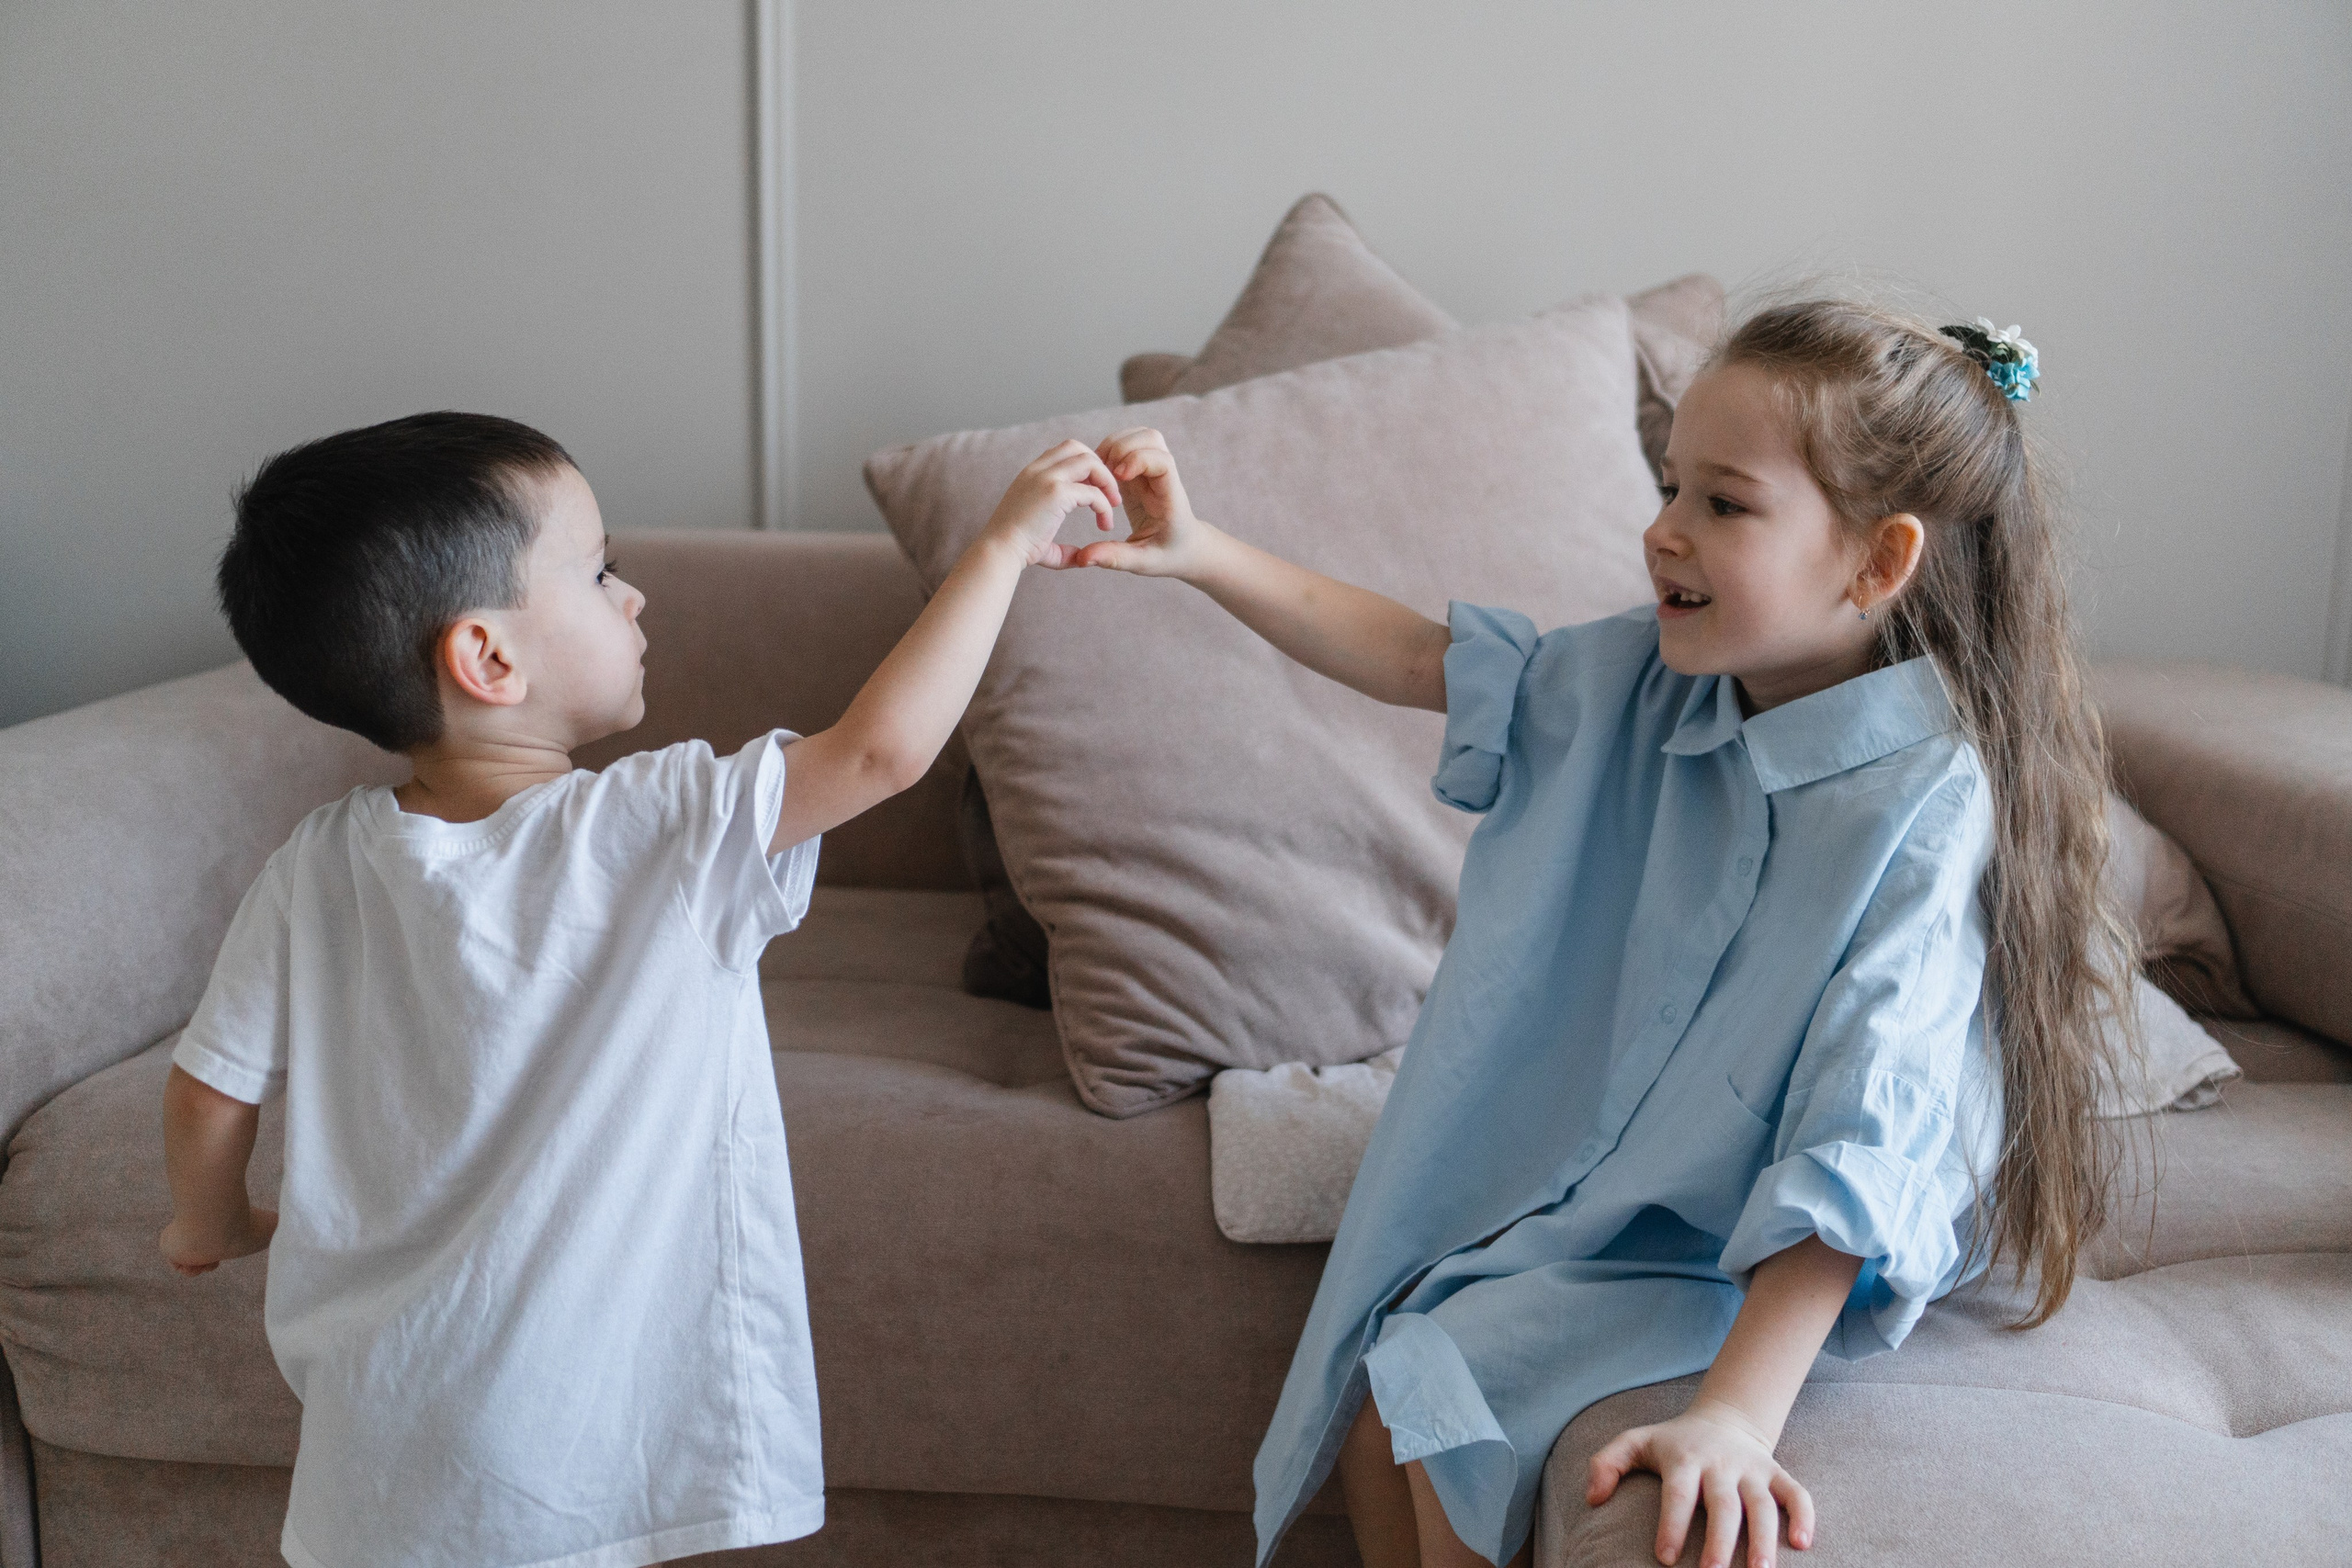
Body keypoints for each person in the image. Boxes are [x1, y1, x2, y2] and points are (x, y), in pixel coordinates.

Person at [1076, 302, 2133, 1568]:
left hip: (1750, 1255)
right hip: (1623, 1203)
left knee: (1450, 1411)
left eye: (1724, 503)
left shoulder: (1924, 803)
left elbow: (1865, 1128)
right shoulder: (1646, 682)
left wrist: (1736, 1415)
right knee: (1380, 1402)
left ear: (1876, 561)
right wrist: (1198, 552)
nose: (1663, 529)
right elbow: (1424, 658)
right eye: (1669, 483)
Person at [157, 412, 1120, 1568]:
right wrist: (1000, 548)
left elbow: (209, 1092)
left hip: (375, 1444)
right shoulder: (656, 825)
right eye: (600, 570)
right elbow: (881, 752)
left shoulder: (314, 865)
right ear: (489, 660)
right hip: (578, 1450)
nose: (635, 597)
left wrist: (211, 1222)